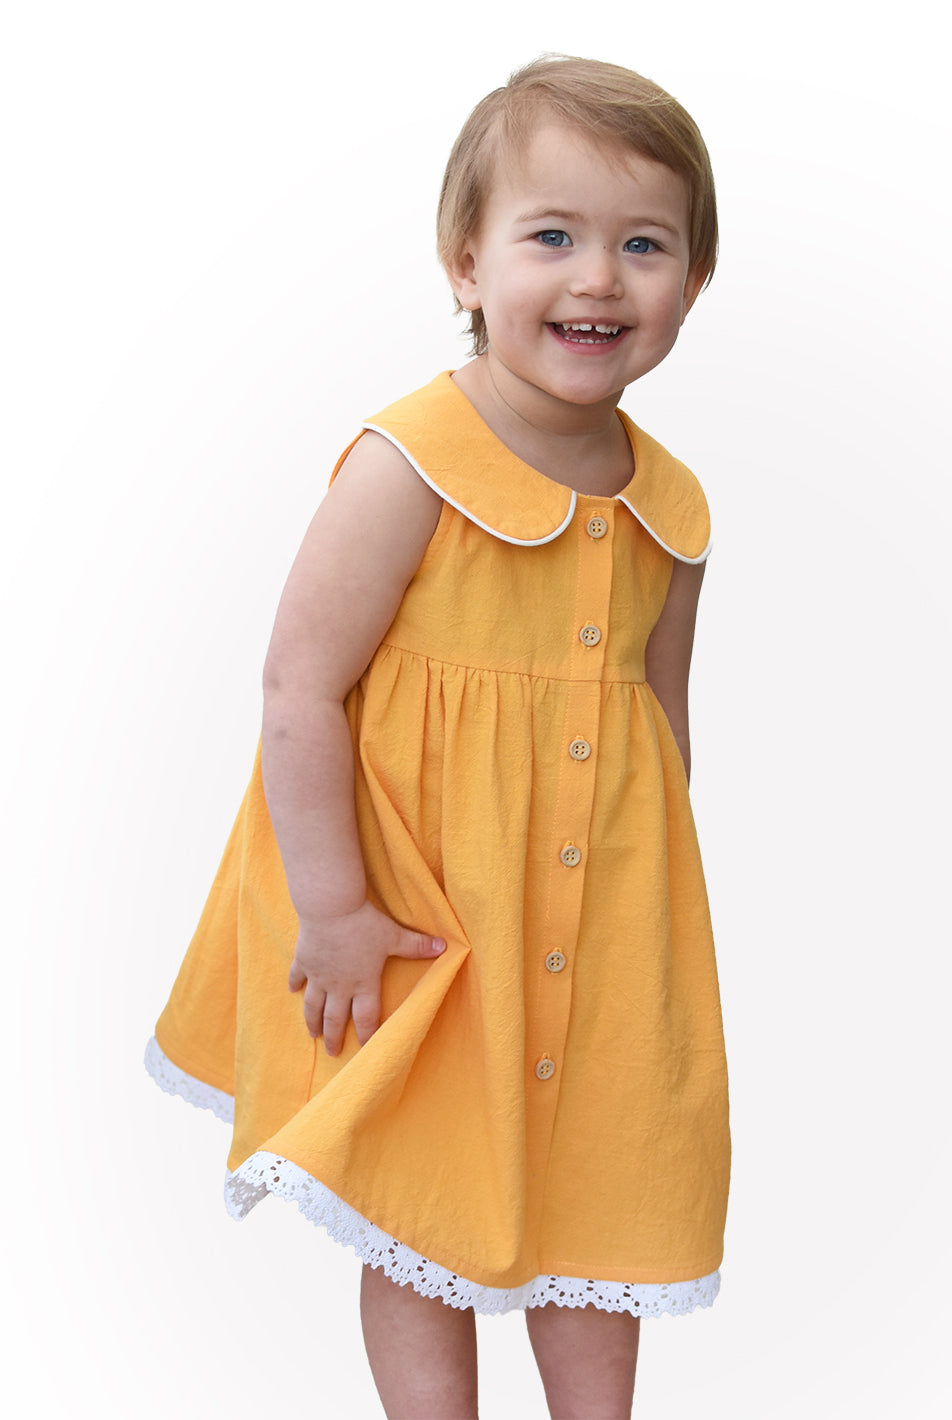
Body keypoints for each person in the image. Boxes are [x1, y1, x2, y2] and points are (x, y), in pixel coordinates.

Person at [146, 54, 731, 1420]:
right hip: (428, 919)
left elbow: (660, 724)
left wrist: (647, 933)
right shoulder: (409, 461)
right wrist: (335, 909)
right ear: (465, 260)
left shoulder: (674, 506)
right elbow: (299, 688)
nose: (598, 278)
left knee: (603, 1197)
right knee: (425, 1197)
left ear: (693, 283)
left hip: (599, 937)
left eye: (644, 246)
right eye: (552, 236)